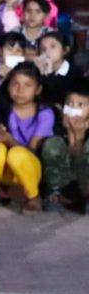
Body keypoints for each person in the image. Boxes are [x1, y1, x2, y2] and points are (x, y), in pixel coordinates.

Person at [0, 61, 53, 212]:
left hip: (29, 171)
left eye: (28, 85)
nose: (20, 90)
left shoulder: (45, 113)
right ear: (8, 86)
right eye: (15, 84)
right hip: (5, 173)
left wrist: (9, 140)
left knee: (16, 154)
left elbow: (32, 151)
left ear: (38, 89)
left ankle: (34, 197)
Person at [41, 78, 89, 213]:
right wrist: (69, 132)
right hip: (63, 178)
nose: (73, 109)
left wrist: (79, 136)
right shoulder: (56, 123)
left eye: (80, 105)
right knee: (52, 145)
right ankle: (54, 194)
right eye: (69, 104)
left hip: (85, 180)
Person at [35, 30, 75, 108]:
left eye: (53, 47)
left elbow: (58, 99)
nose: (47, 51)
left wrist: (49, 75)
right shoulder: (37, 69)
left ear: (65, 50)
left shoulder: (75, 73)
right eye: (43, 48)